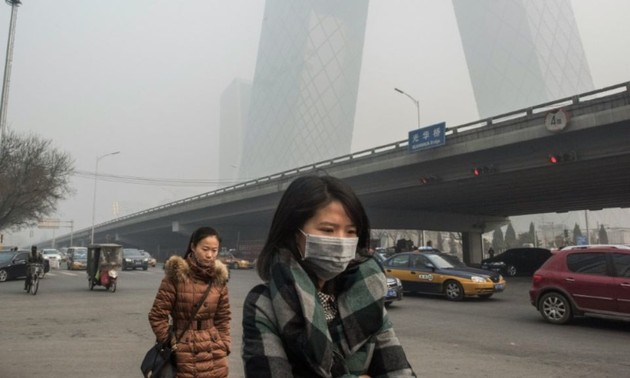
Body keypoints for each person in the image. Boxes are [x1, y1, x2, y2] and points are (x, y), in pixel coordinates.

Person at [242, 175, 416, 377]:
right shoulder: (264, 305)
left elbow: (399, 370)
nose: (341, 241)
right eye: (327, 230)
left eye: (351, 231)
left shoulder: (366, 296)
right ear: (294, 233)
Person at [148, 227, 231, 378]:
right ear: (193, 247)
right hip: (184, 352)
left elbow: (223, 317)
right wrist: (170, 342)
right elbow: (157, 315)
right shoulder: (176, 276)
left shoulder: (219, 279)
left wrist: (224, 344)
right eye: (205, 249)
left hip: (215, 352)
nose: (209, 255)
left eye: (214, 250)